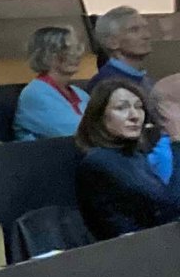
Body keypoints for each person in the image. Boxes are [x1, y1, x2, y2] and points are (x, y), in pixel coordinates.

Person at [74, 79, 180, 238]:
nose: (134, 116)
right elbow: (168, 206)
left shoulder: (134, 156)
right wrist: (177, 141)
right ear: (99, 116)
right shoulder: (99, 161)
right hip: (133, 254)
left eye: (138, 107)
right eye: (121, 108)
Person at [11, 25, 89, 140]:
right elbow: (73, 132)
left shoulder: (80, 93)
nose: (76, 55)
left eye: (76, 48)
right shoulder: (35, 94)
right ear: (46, 55)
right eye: (65, 50)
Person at [91, 5, 153, 83]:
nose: (146, 35)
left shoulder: (144, 79)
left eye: (145, 28)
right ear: (112, 42)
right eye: (134, 30)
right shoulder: (108, 83)